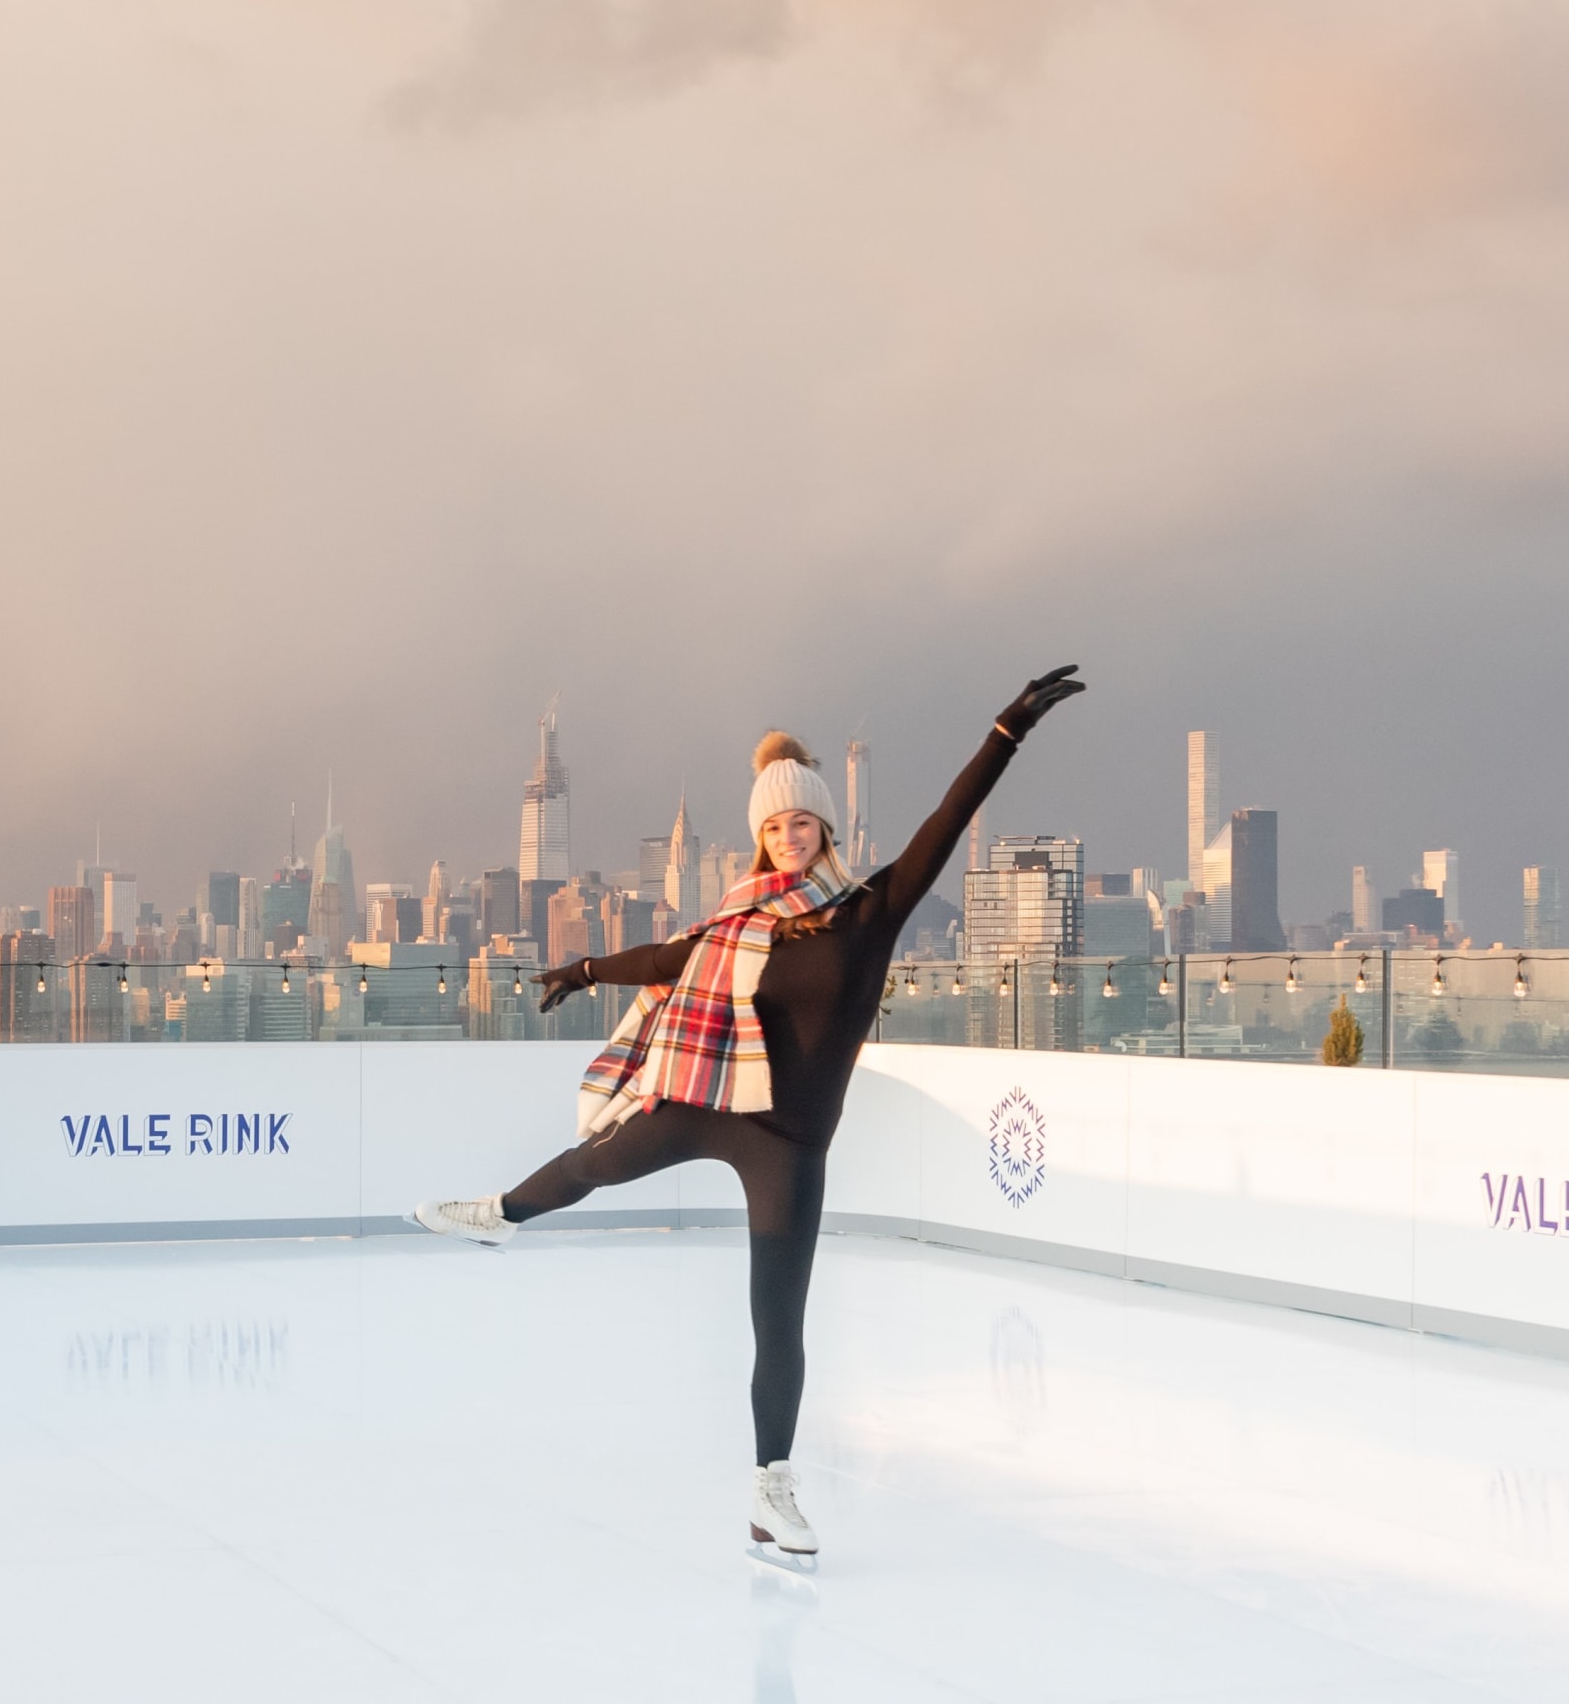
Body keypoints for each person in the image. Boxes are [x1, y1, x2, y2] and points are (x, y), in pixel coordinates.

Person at [415, 665, 1085, 1559]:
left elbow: (944, 824)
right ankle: (500, 1214)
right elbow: (669, 958)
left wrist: (1008, 728)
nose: (789, 837)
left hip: (791, 1142)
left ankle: (772, 1488)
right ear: (761, 839)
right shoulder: (741, 922)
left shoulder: (868, 913)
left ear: (823, 827)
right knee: (597, 1162)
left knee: (779, 1319)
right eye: (774, 826)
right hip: (715, 1099)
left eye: (801, 821)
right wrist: (582, 971)